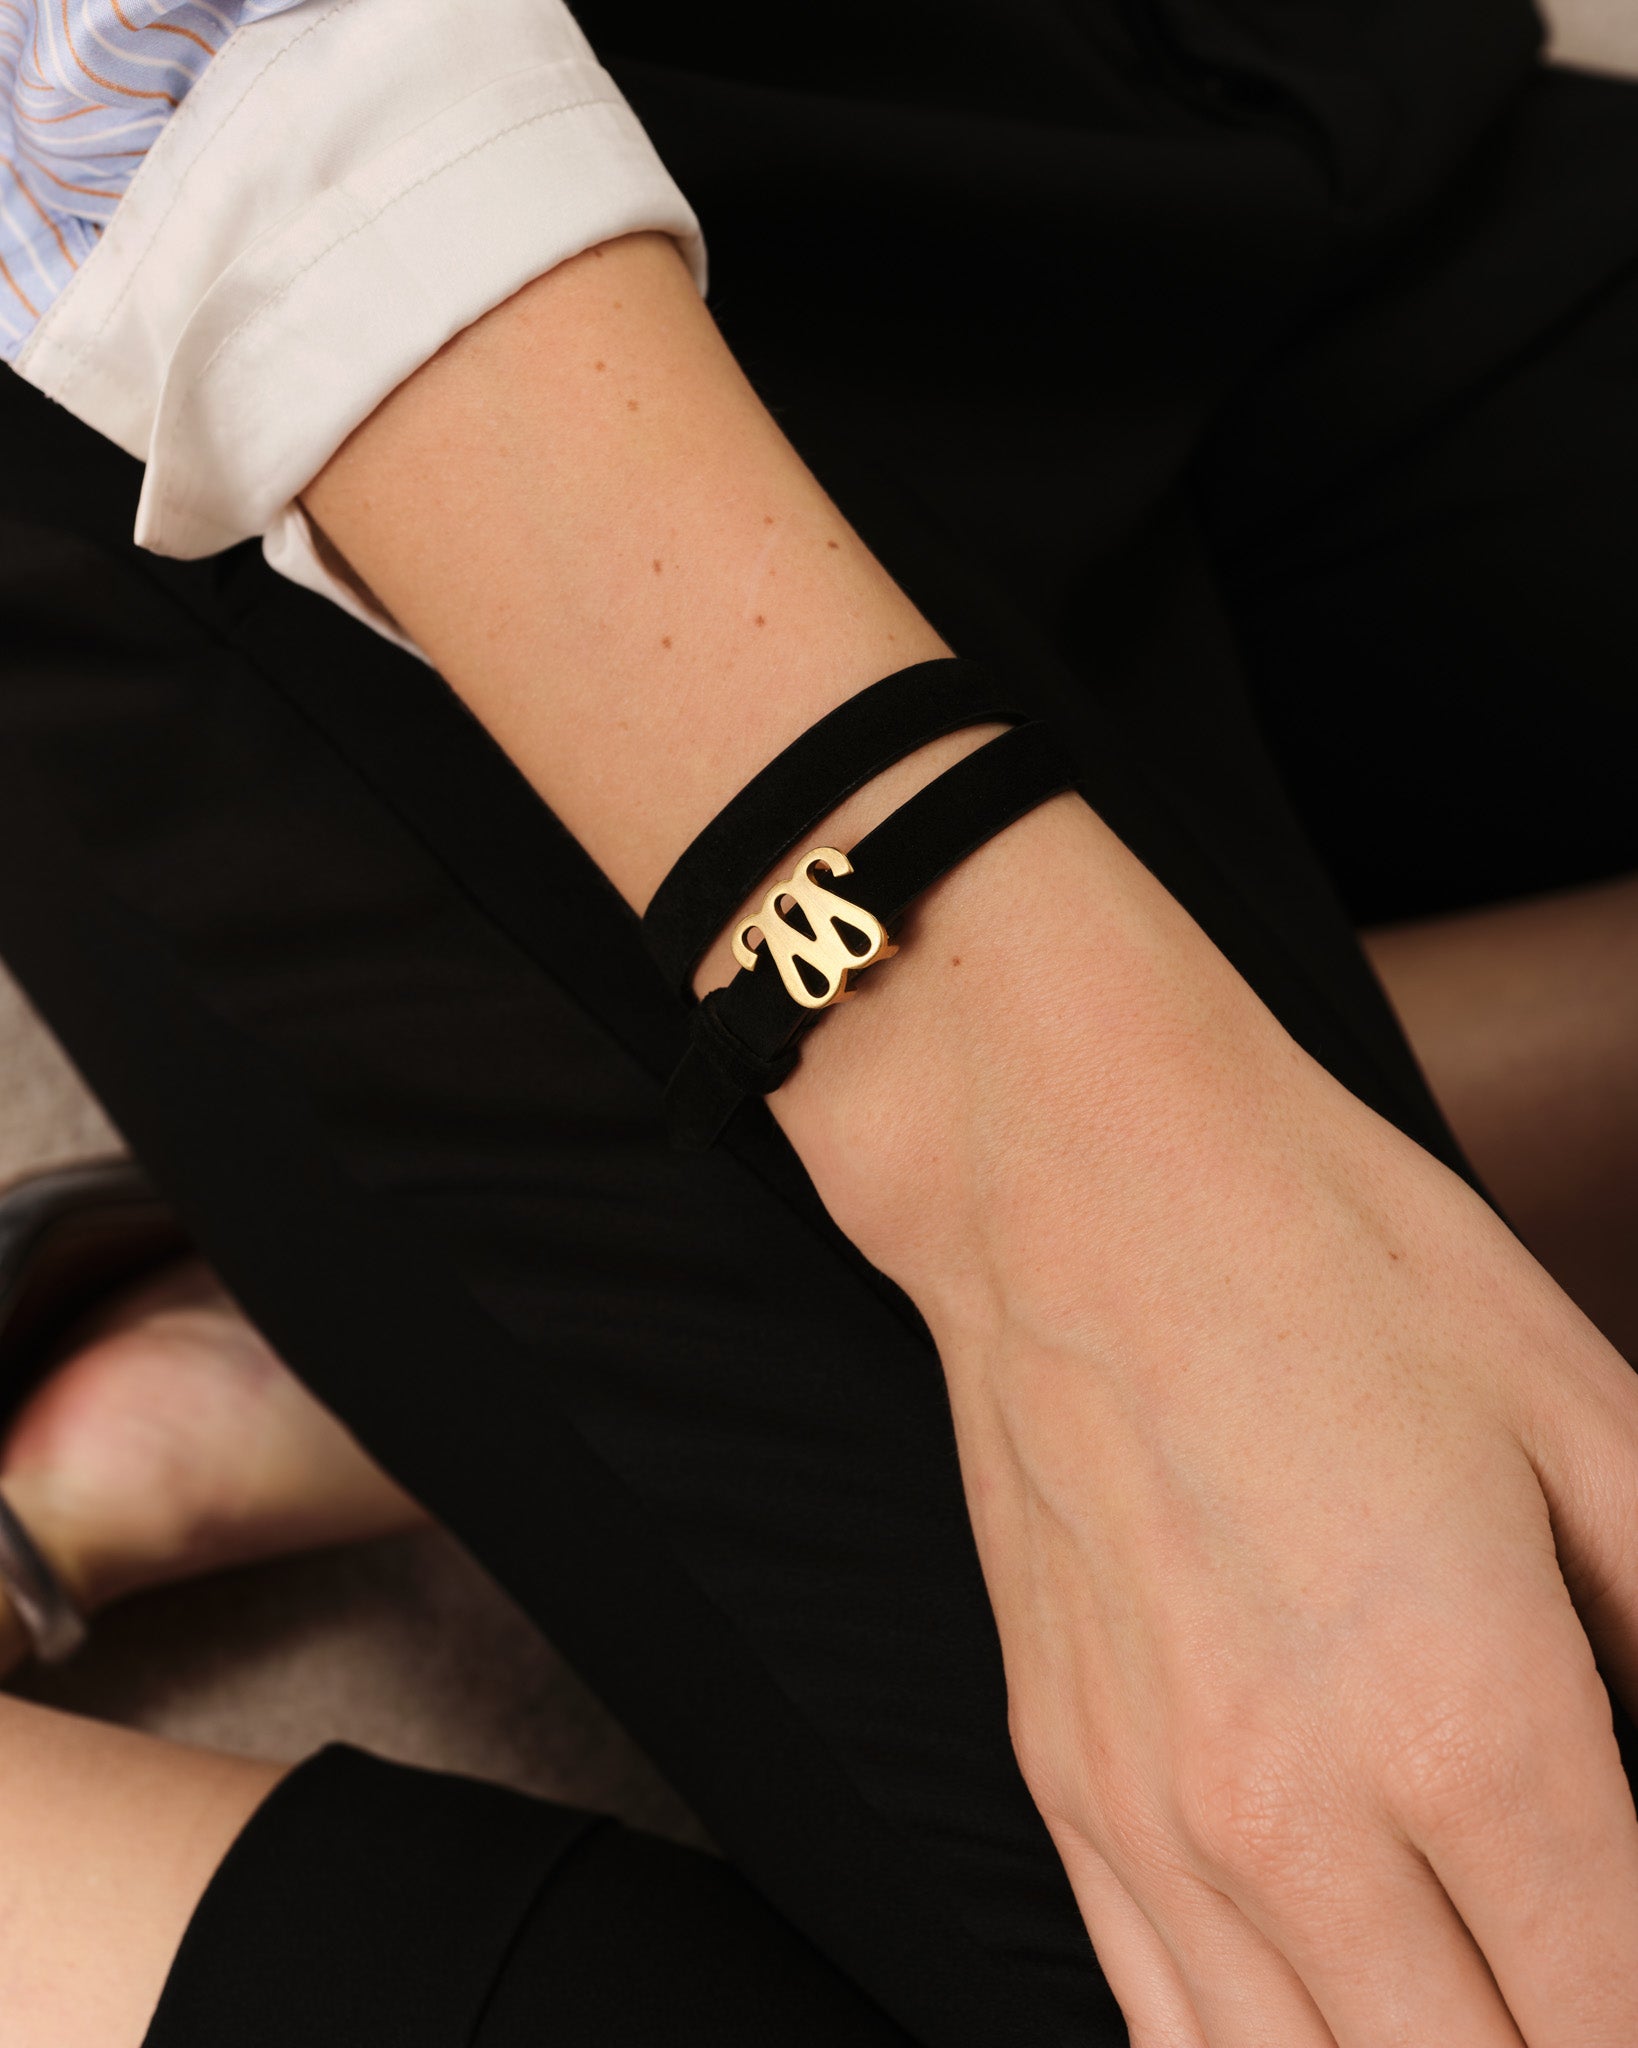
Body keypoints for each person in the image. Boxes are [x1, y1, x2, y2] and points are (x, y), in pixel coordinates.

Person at [0, 1, 1635, 2042]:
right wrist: (1075, 1188)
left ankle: (389, 1336)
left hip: (1033, 73)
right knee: (1412, 1914)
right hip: (226, 360)